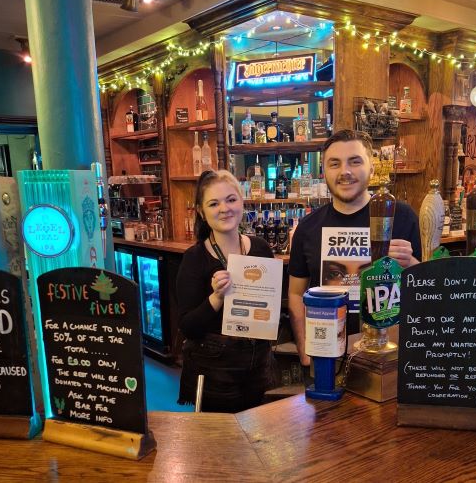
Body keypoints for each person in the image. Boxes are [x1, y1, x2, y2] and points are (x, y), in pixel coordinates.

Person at [288, 129, 421, 365]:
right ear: (324, 171)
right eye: (334, 164)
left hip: (387, 354)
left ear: (371, 167)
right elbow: (296, 293)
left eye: (355, 161)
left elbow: (421, 288)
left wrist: (409, 264)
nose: (345, 172)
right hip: (327, 355)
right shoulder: (308, 227)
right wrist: (305, 351)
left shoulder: (400, 216)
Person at [175, 169, 275, 412]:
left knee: (261, 439)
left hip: (259, 364)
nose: (224, 208)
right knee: (220, 442)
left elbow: (271, 307)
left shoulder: (261, 249)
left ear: (242, 201)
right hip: (215, 370)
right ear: (201, 211)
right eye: (213, 203)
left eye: (231, 200)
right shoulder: (195, 258)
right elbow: (187, 326)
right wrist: (217, 297)